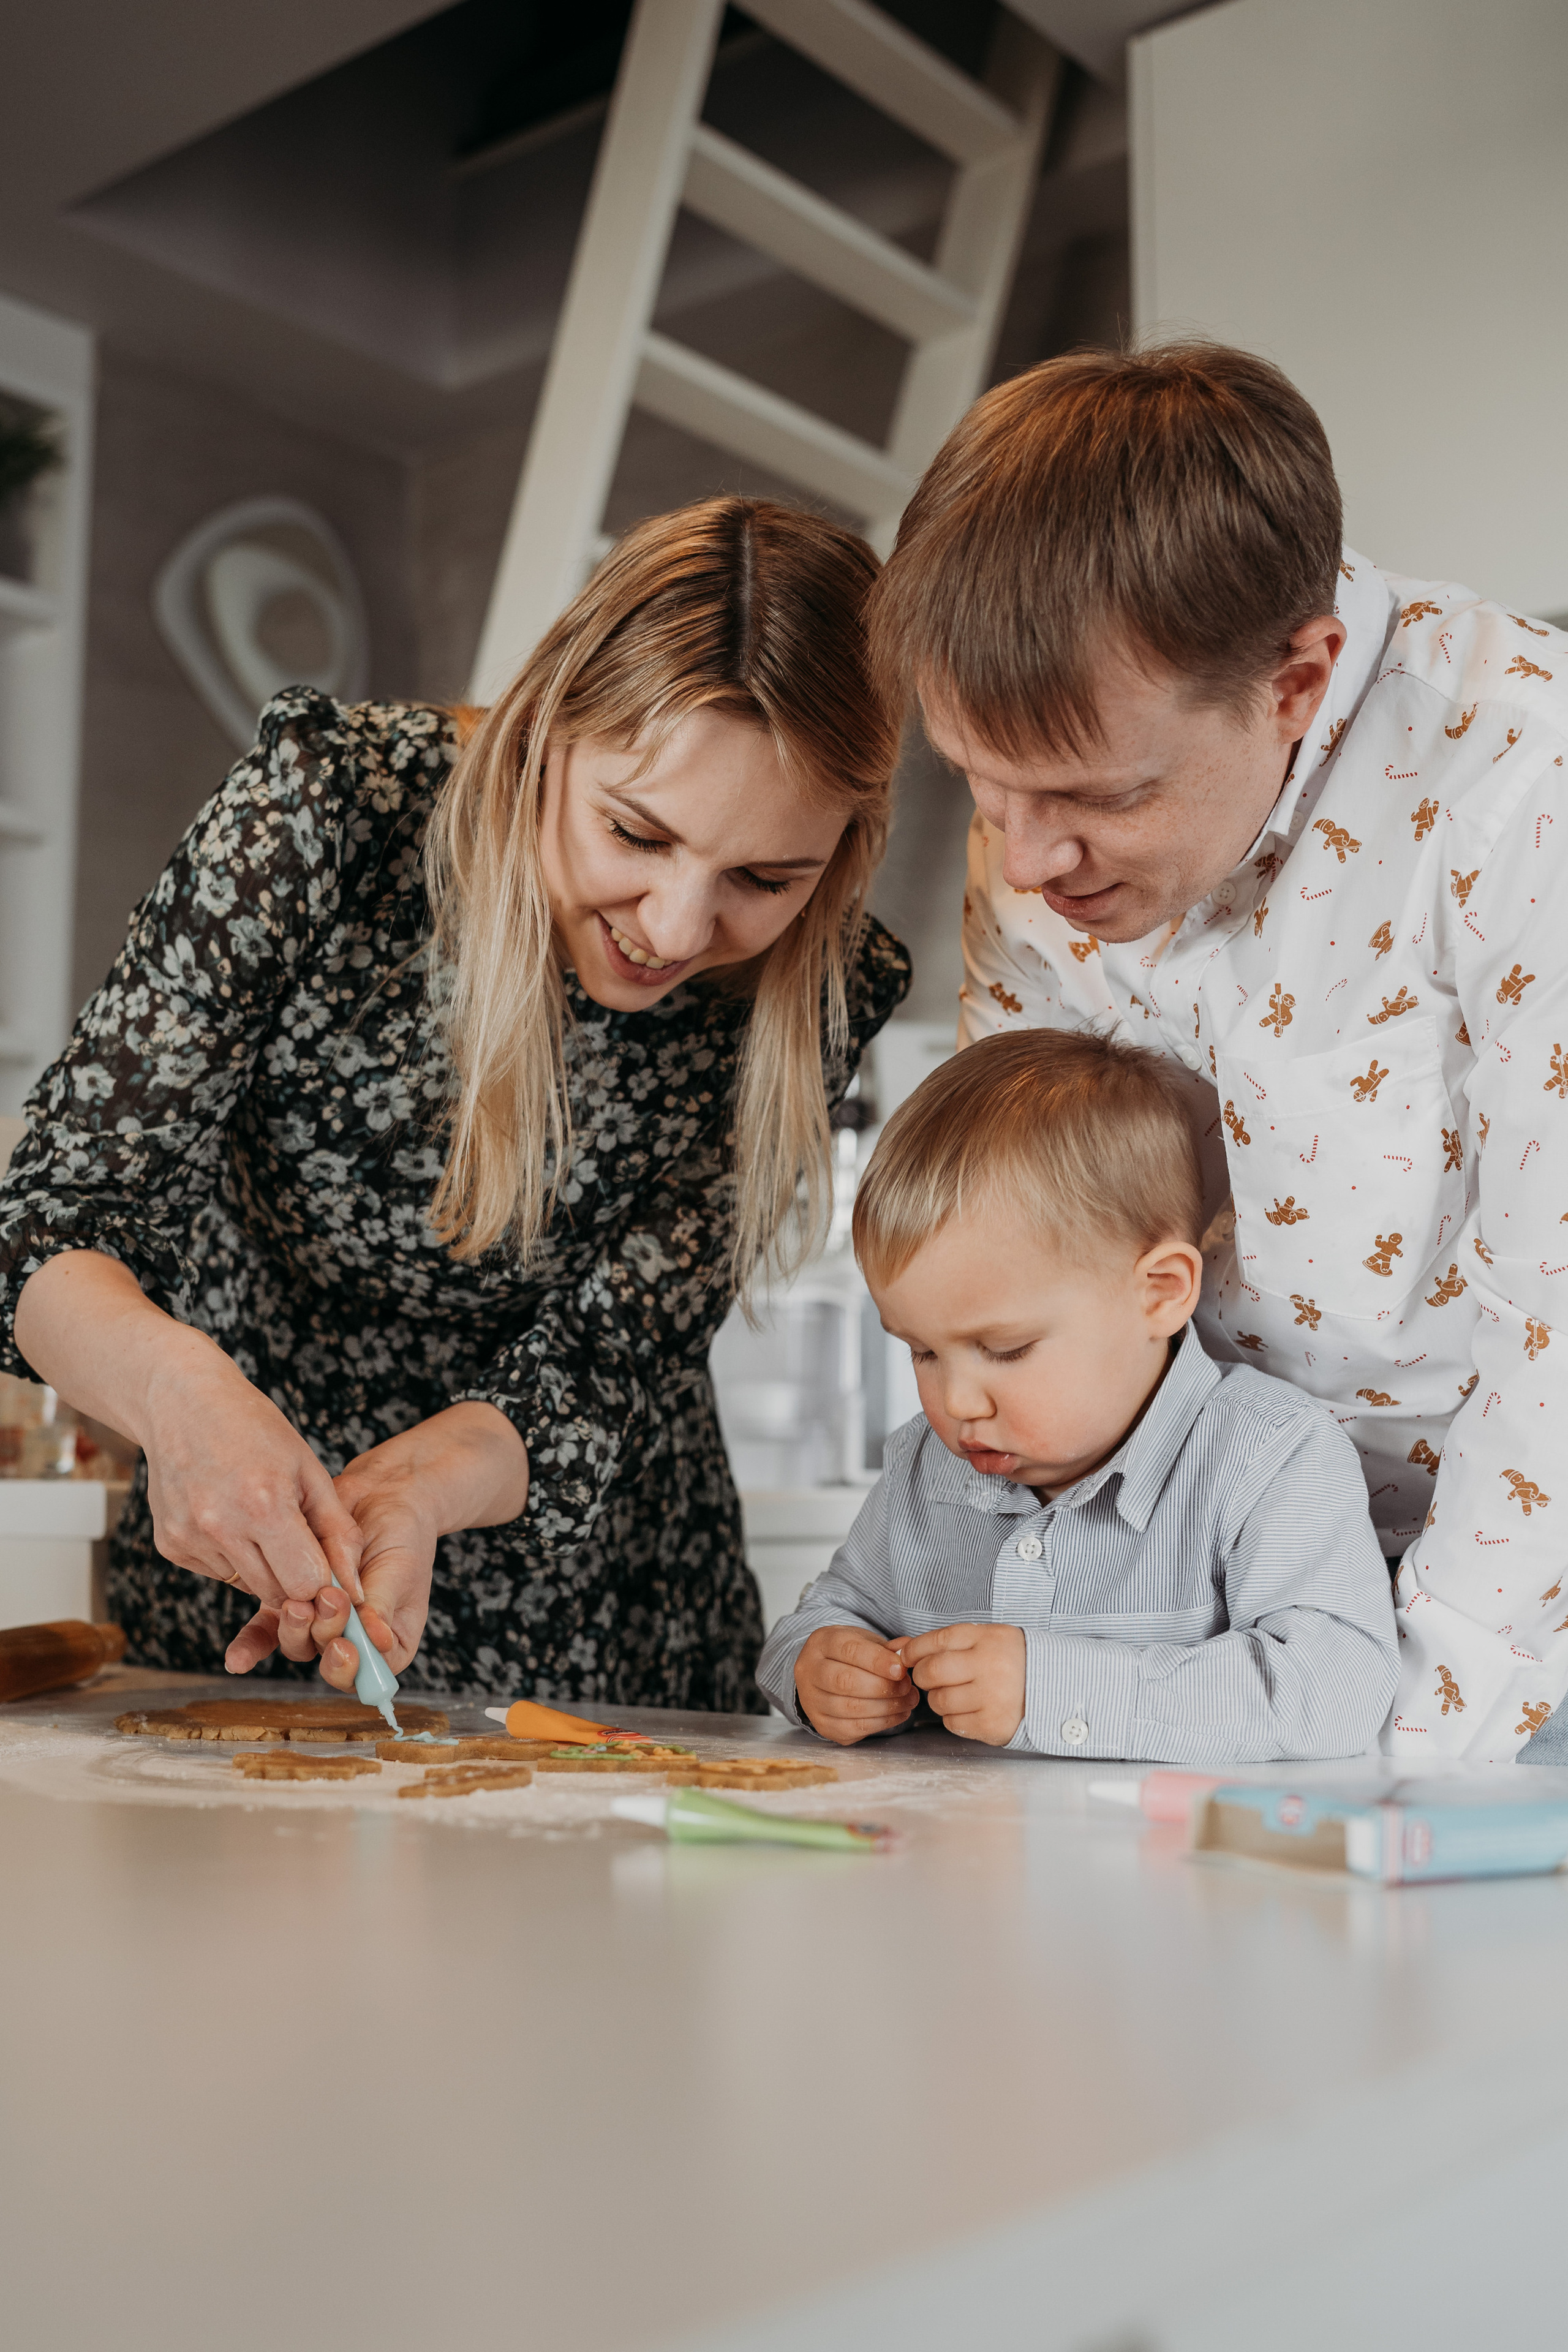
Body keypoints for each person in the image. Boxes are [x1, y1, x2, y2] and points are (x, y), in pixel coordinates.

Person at [0, 497, 909, 1710]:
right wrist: (179, 1396)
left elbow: (602, 1362)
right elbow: (52, 1219)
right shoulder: (332, 812)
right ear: (544, 733)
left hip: (616, 1614)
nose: (678, 928)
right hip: (256, 1560)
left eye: (763, 878)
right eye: (635, 833)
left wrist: (424, 1488)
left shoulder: (832, 981)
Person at [861, 343, 1568, 1766]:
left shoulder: (1517, 781)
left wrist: (1383, 1745)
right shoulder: (1034, 839)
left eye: (1090, 796)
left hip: (1500, 1636)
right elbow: (1030, 1237)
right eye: (982, 788)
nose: (1023, 859)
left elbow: (1553, 1328)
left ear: (1295, 679)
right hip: (1215, 1626)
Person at [758, 1029, 1396, 1758]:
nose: (958, 1402)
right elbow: (819, 1623)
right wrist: (821, 1674)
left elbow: (1335, 1688)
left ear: (1160, 1293)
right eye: (922, 1351)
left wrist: (1052, 1690)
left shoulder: (1270, 1456)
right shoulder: (920, 1469)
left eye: (1006, 1350)